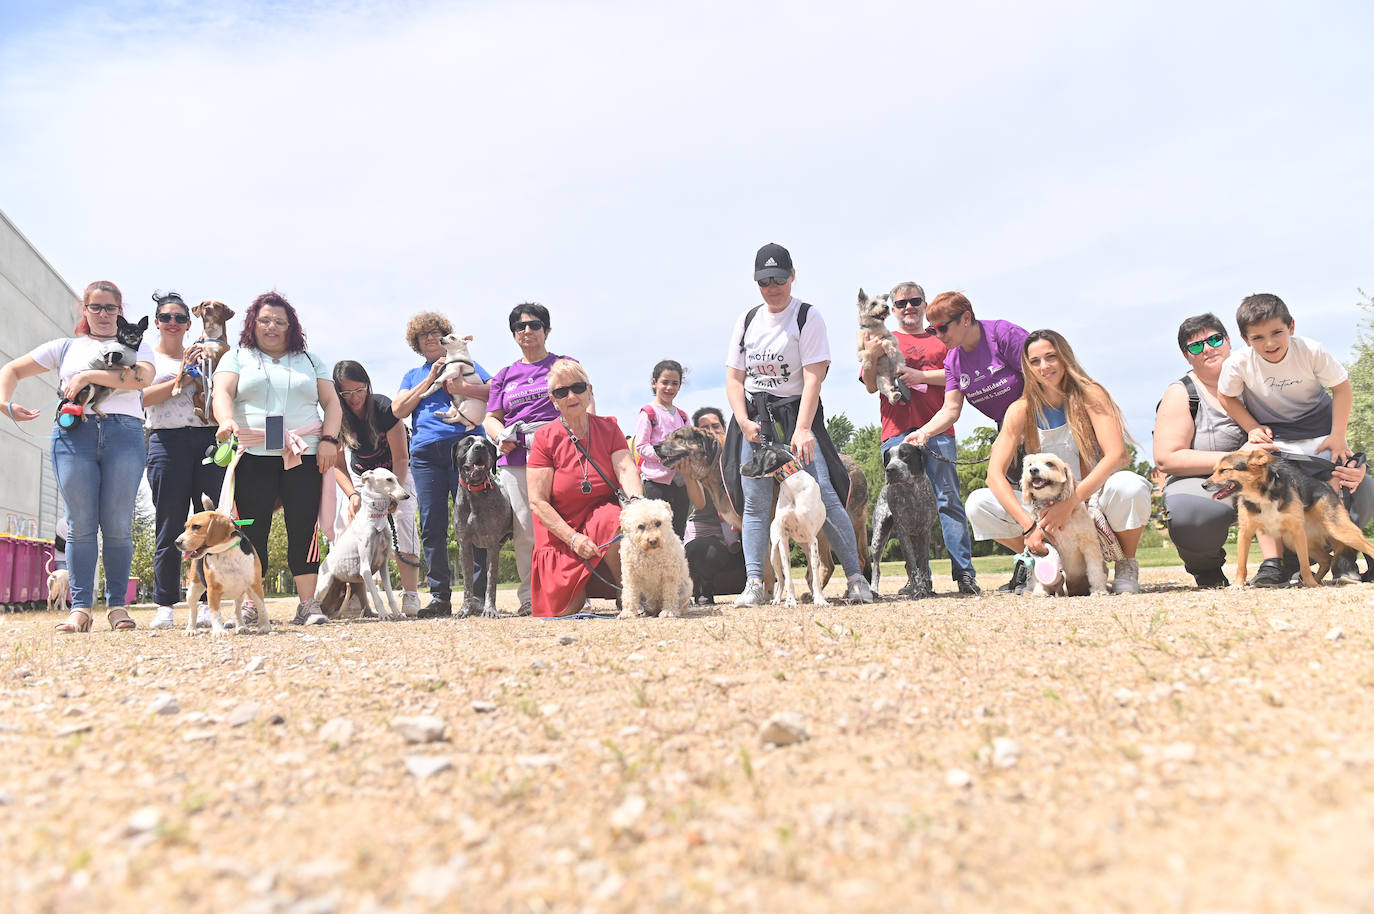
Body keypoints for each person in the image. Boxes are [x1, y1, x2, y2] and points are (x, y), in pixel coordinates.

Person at [1154, 314, 1372, 588]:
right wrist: (1237, 460)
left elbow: (1315, 432)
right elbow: (1166, 458)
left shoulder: (1262, 377)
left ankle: (1299, 561)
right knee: (1192, 514)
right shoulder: (1183, 393)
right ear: (1187, 357)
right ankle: (1207, 568)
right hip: (1207, 481)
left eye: (1214, 339)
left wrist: (1352, 463)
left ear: (1230, 341)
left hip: (1271, 480)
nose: (1208, 348)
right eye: (1196, 346)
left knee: (1359, 486)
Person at [723, 242, 874, 606]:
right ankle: (755, 583)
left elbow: (813, 378)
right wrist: (743, 420)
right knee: (756, 503)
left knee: (821, 492)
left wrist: (803, 428)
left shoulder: (807, 316)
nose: (772, 287)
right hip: (755, 418)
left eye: (778, 278)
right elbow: (733, 379)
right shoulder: (747, 319)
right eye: (764, 281)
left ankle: (856, 578)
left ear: (792, 276)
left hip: (795, 414)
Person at [0, 280, 153, 632]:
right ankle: (80, 608)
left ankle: (117, 608)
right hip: (73, 435)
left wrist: (86, 374)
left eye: (110, 308)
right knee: (79, 525)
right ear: (83, 309)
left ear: (120, 311)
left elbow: (139, 380)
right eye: (95, 307)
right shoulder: (65, 346)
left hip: (125, 434)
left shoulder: (137, 343)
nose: (103, 314)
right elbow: (12, 370)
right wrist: (6, 404)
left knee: (116, 524)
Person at [969, 329, 1153, 595]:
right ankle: (1044, 555)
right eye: (1035, 361)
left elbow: (1117, 455)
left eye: (1051, 357)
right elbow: (994, 475)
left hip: (1090, 499)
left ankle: (1125, 562)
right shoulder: (1020, 409)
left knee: (1131, 486)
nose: (1044, 366)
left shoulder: (1090, 394)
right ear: (1027, 367)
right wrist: (1029, 525)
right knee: (978, 504)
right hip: (1042, 508)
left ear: (1065, 357)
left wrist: (1069, 503)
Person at [1214, 294, 1369, 585]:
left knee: (1342, 477)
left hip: (1321, 430)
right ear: (1246, 340)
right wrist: (1251, 426)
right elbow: (1226, 396)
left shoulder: (1311, 351)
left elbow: (1342, 388)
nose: (1270, 344)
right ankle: (1272, 563)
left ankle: (1344, 557)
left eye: (1276, 333)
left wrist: (1337, 435)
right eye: (1258, 337)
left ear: (1292, 327)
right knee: (1260, 480)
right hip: (1278, 436)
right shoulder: (1238, 364)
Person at [212, 291, 342, 625]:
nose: (272, 326)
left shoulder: (310, 361)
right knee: (252, 529)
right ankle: (251, 604)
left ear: (291, 326)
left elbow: (332, 404)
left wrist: (329, 440)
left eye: (279, 321)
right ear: (253, 323)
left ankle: (308, 604)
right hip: (254, 453)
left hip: (304, 453)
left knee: (304, 527)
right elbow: (222, 392)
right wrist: (226, 420)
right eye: (265, 320)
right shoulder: (236, 357)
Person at [904, 292, 1031, 591]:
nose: (937, 335)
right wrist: (925, 431)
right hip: (1009, 434)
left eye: (942, 328)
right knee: (1009, 503)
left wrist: (1023, 416)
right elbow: (950, 409)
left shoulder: (1002, 335)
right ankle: (1032, 560)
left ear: (965, 318)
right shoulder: (953, 360)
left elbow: (1042, 375)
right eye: (932, 329)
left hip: (1043, 425)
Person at [860, 282, 978, 595]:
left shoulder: (941, 338)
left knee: (948, 502)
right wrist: (870, 355)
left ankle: (964, 575)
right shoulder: (883, 338)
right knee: (902, 512)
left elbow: (960, 378)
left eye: (915, 301)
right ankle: (917, 580)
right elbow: (871, 386)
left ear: (924, 305)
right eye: (901, 303)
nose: (908, 307)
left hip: (938, 432)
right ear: (892, 310)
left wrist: (921, 376)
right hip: (896, 435)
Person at [392, 312, 491, 618]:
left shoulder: (469, 365)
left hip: (466, 449)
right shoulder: (412, 375)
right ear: (417, 344)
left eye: (437, 333)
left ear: (448, 336)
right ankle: (440, 597)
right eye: (424, 336)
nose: (432, 338)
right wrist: (429, 378)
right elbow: (398, 409)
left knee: (476, 520)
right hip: (426, 454)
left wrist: (463, 386)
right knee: (432, 524)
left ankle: (476, 597)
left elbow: (495, 394)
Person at [526, 360, 644, 617]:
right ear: (553, 400)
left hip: (601, 519)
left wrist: (637, 504)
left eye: (578, 388)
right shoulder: (544, 438)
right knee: (564, 610)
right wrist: (573, 538)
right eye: (561, 392)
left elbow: (625, 468)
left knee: (615, 517)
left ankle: (630, 593)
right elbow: (538, 502)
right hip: (560, 531)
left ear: (590, 390)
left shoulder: (609, 427)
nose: (571, 396)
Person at [142, 291, 227, 629]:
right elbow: (142, 398)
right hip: (166, 440)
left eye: (179, 318)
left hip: (207, 440)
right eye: (166, 318)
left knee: (210, 524)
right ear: (158, 322)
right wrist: (184, 376)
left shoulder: (206, 353)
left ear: (189, 323)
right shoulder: (148, 359)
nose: (173, 323)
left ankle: (208, 602)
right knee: (169, 522)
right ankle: (165, 604)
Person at [483, 303, 573, 616]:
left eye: (535, 325)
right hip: (517, 457)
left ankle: (573, 590)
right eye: (520, 327)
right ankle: (529, 596)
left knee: (567, 521)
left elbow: (585, 403)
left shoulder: (564, 365)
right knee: (524, 528)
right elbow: (491, 417)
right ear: (513, 335)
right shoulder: (504, 376)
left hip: (559, 452)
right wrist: (499, 437)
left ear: (546, 330)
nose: (527, 331)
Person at [327, 360, 422, 616]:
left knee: (403, 520)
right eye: (346, 393)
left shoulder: (382, 407)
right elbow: (337, 465)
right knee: (348, 525)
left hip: (396, 471)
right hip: (364, 476)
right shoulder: (336, 414)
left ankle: (411, 594)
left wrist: (394, 496)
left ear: (367, 385)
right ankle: (357, 598)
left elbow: (402, 457)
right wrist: (352, 494)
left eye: (359, 390)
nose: (354, 398)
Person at [683, 406, 746, 602]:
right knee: (701, 549)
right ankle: (704, 588)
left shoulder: (741, 456)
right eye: (704, 429)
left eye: (716, 426)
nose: (711, 432)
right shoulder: (695, 465)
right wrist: (688, 475)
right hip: (710, 536)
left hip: (740, 535)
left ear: (725, 429)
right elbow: (700, 504)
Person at [634, 359, 691, 537]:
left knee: (678, 530)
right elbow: (641, 446)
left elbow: (690, 443)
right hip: (656, 484)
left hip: (680, 482)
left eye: (675, 383)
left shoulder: (683, 416)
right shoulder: (648, 412)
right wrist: (665, 455)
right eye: (664, 382)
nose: (669, 388)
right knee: (657, 532)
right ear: (654, 383)